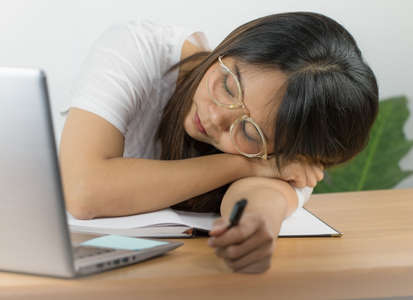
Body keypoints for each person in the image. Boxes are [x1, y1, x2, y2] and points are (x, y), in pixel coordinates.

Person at [59, 11, 378, 274]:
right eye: (228, 86)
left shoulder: (285, 146)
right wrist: (246, 163)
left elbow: (263, 195)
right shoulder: (141, 48)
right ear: (231, 47)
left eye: (250, 133)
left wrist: (254, 228)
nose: (216, 118)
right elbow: (85, 192)